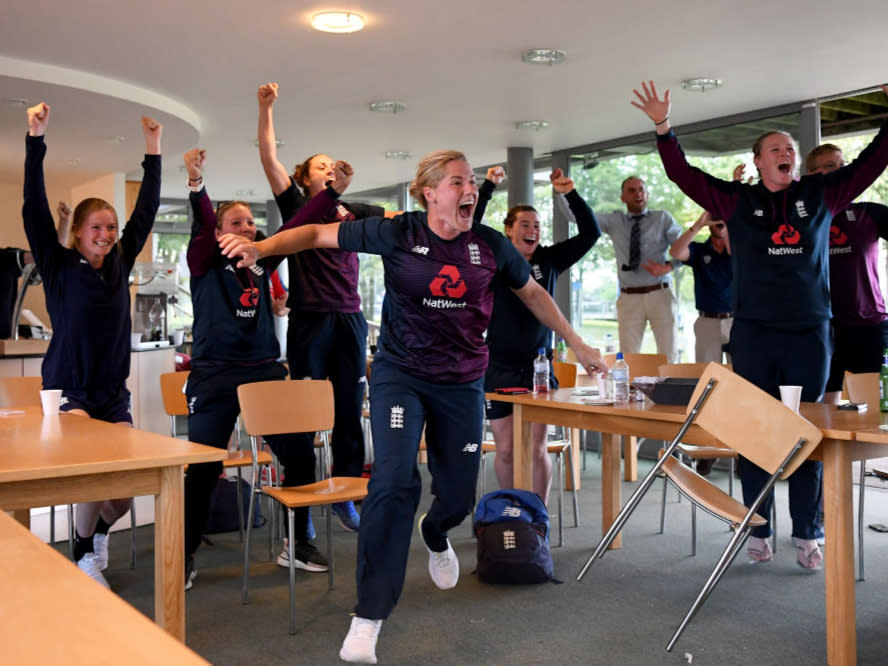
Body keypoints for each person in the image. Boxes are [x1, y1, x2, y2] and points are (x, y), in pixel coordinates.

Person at [219, 151, 608, 664]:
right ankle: (369, 615)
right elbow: (313, 235)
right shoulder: (396, 232)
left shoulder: (489, 246)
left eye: (472, 182)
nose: (469, 190)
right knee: (394, 480)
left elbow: (533, 293)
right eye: (457, 182)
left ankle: (436, 530)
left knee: (457, 497)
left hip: (463, 383)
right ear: (431, 193)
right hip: (401, 376)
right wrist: (261, 247)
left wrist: (577, 344)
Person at [631, 79, 888, 570]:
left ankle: (808, 533)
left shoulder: (821, 194)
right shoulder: (736, 202)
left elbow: (873, 162)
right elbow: (683, 174)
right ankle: (758, 522)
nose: (786, 152)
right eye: (776, 149)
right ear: (760, 162)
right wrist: (664, 128)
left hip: (811, 332)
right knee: (754, 431)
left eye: (790, 147)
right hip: (753, 333)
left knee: (804, 430)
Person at [181, 148, 337, 586]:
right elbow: (202, 223)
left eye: (251, 222)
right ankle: (185, 552)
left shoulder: (262, 260)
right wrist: (197, 186)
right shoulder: (204, 260)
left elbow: (296, 227)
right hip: (214, 374)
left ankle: (296, 542)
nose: (248, 228)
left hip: (264, 370)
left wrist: (334, 192)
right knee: (206, 467)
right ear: (217, 231)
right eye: (237, 223)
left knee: (301, 456)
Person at [23, 102, 162, 587]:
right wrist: (35, 140)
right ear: (79, 233)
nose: (105, 235)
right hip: (69, 391)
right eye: (96, 228)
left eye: (110, 228)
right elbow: (34, 210)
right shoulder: (59, 266)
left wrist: (153, 151)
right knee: (94, 472)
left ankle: (96, 533)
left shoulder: (121, 261)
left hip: (111, 392)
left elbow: (145, 212)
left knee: (122, 495)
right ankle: (83, 554)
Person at [257, 82, 392, 539]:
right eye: (320, 166)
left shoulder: (353, 210)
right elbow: (270, 160)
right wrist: (267, 108)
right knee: (304, 415)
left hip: (350, 320)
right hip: (310, 319)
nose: (328, 167)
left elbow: (398, 220)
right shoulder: (298, 206)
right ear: (307, 179)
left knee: (349, 410)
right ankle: (303, 504)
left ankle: (348, 496)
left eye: (332, 163)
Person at [479, 166, 601, 501]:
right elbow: (470, 229)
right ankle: (513, 513)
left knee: (536, 449)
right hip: (498, 365)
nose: (532, 231)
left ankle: (537, 517)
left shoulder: (548, 259)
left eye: (537, 226)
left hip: (539, 367)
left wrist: (569, 193)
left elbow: (591, 233)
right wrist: (488, 187)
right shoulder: (494, 258)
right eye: (524, 225)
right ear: (508, 231)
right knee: (504, 450)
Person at [805, 143, 888, 404]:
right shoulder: (803, 218)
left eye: (843, 165)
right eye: (831, 166)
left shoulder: (868, 213)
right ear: (812, 175)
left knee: (875, 406)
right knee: (825, 409)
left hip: (870, 325)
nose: (841, 171)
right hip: (824, 328)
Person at [595, 177, 681, 361]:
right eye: (632, 190)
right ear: (623, 197)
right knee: (628, 357)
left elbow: (686, 250)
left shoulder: (662, 218)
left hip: (660, 294)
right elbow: (580, 217)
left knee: (669, 354)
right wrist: (563, 193)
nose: (638, 194)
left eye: (641, 189)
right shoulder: (614, 221)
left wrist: (668, 267)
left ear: (647, 194)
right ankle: (631, 390)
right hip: (629, 298)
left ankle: (670, 390)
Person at [669, 210, 732, 364]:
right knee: (708, 375)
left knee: (742, 375)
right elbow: (676, 252)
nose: (719, 223)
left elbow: (735, 253)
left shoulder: (740, 248)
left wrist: (730, 221)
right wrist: (697, 226)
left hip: (736, 321)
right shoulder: (699, 250)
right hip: (707, 321)